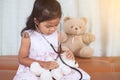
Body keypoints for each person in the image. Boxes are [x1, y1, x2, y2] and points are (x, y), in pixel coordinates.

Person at [13, 0, 90, 80]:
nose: (53, 29)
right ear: (36, 21)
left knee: (73, 75)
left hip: (54, 68)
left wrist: (66, 53)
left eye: (56, 25)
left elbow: (57, 51)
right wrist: (43, 64)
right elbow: (22, 59)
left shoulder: (57, 35)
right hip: (33, 68)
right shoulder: (28, 36)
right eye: (48, 26)